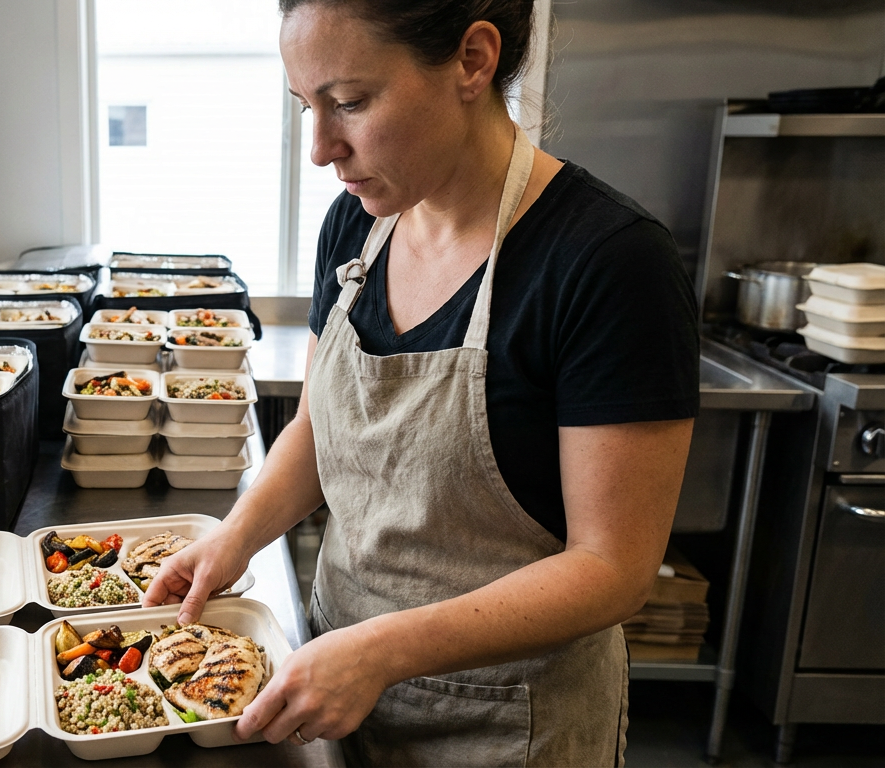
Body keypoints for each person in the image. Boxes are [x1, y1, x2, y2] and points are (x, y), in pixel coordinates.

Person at [140, 0, 700, 765]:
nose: (322, 149)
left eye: (350, 103)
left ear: (472, 61)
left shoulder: (608, 262)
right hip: (334, 684)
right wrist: (232, 538)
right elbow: (314, 429)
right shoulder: (355, 227)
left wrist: (383, 651)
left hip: (507, 723)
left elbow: (613, 571)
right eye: (307, 107)